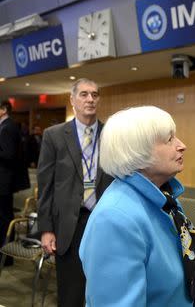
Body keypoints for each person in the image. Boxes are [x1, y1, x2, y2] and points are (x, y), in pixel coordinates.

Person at [79, 106, 195, 306]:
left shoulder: (165, 196)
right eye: (169, 139)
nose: (182, 145)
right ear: (137, 152)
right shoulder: (115, 218)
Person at [37, 78, 113, 307]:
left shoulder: (111, 134)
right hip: (68, 225)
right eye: (84, 94)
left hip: (104, 223)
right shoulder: (54, 135)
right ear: (72, 100)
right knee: (71, 293)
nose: (90, 99)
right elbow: (46, 186)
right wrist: (46, 229)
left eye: (95, 94)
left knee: (104, 289)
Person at [0, 100, 29, 265]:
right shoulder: (5, 126)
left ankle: (6, 257)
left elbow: (9, 154)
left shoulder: (8, 127)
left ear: (3, 110)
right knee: (3, 218)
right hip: (4, 180)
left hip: (4, 181)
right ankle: (5, 255)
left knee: (4, 219)